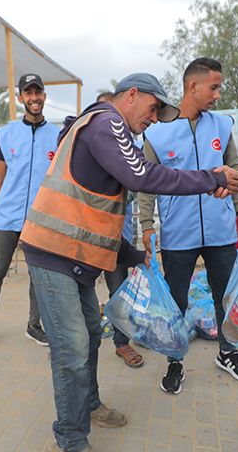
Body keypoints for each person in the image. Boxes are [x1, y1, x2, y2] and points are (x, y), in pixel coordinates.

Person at [19, 72, 238, 452]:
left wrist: (135, 256)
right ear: (132, 95)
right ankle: (71, 437)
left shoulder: (111, 133)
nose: (154, 118)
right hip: (52, 252)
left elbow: (98, 215)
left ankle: (88, 404)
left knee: (91, 334)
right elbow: (143, 175)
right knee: (72, 346)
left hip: (76, 256)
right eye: (153, 108)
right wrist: (211, 177)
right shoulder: (106, 122)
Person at [139, 57, 238, 393]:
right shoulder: (158, 134)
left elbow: (233, 168)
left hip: (220, 230)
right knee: (177, 300)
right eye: (214, 87)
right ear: (193, 86)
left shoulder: (221, 126)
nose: (218, 94)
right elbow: (146, 183)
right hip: (179, 233)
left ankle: (228, 352)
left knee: (226, 295)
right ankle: (175, 361)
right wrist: (147, 225)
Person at [0, 73, 58, 351]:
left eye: (38, 92)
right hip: (8, 217)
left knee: (38, 274)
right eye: (28, 93)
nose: (34, 98)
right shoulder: (7, 133)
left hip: (40, 218)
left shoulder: (58, 135)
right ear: (20, 98)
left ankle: (34, 325)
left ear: (44, 96)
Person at [95, 91, 143, 369]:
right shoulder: (85, 147)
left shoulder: (130, 151)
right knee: (81, 294)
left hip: (118, 239)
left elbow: (139, 188)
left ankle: (121, 343)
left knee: (119, 290)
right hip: (85, 239)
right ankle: (76, 343)